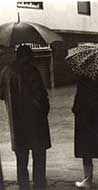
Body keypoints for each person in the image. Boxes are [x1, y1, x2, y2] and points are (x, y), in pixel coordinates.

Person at [0, 45, 51, 190]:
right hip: (35, 123)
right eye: (31, 55)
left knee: (21, 160)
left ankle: (23, 186)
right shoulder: (32, 71)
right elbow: (41, 97)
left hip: (16, 123)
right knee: (39, 157)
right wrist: (44, 110)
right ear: (27, 56)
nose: (33, 58)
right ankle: (39, 185)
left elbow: (1, 94)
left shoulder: (6, 71)